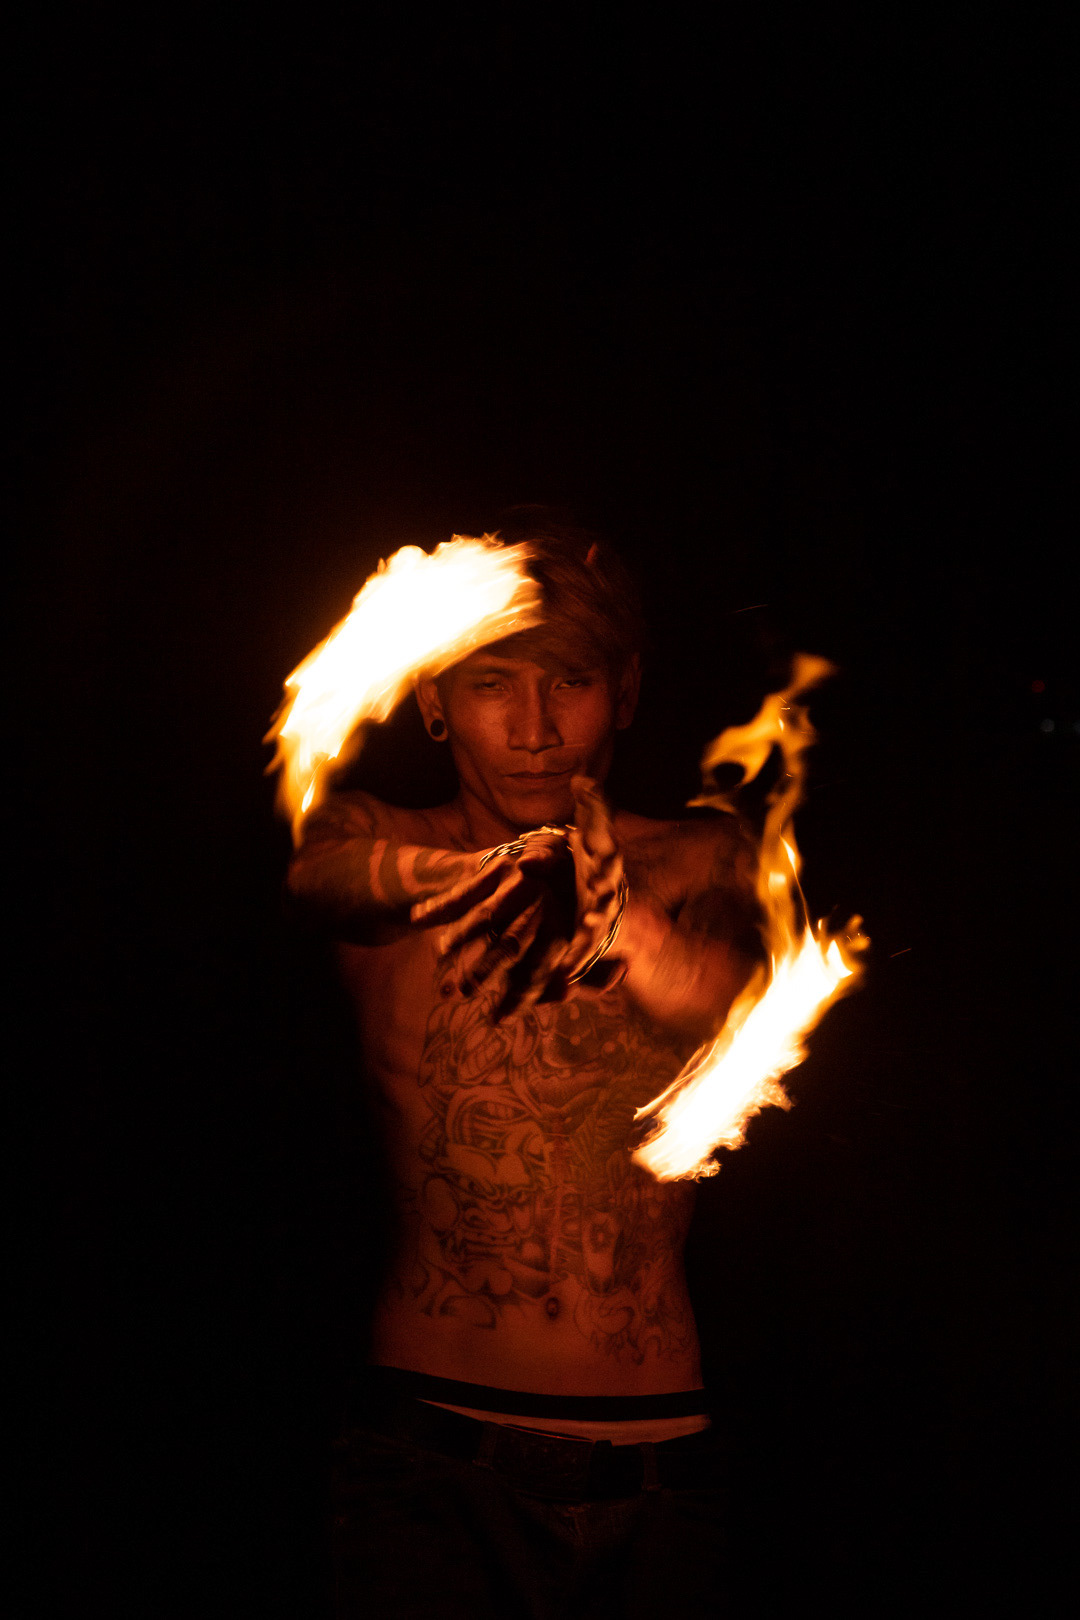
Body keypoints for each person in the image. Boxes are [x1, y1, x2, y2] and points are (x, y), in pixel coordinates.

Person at [286, 524, 764, 1618]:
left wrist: (625, 926)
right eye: (494, 685)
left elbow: (734, 1016)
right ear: (434, 701)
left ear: (626, 691)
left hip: (662, 1469)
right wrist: (475, 874)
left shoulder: (705, 860)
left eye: (572, 683)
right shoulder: (378, 842)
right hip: (431, 1460)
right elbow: (317, 880)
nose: (537, 730)